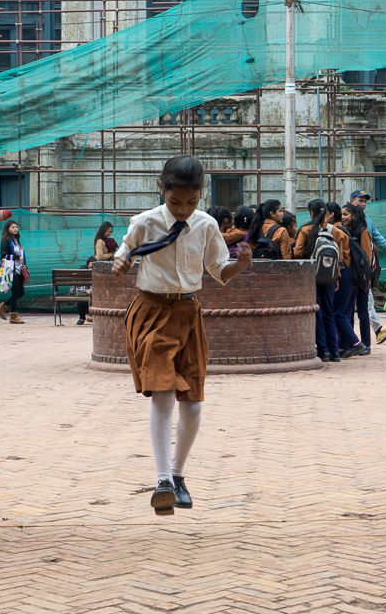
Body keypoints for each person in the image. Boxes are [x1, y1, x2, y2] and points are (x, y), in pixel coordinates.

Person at [113, 155, 253, 514]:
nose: (182, 209)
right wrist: (120, 261)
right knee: (162, 394)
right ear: (163, 191)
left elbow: (218, 271)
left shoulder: (205, 226)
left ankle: (177, 476)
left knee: (192, 403)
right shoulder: (145, 222)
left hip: (189, 313)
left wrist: (239, 266)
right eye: (175, 202)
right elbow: (125, 250)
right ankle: (161, 480)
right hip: (152, 312)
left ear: (200, 195)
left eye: (191, 202)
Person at [294, 199, 346, 361]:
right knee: (329, 313)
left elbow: (297, 253)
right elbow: (340, 257)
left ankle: (322, 350)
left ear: (311, 213)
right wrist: (336, 276)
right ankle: (335, 351)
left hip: (312, 277)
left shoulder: (306, 229)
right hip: (330, 278)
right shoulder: (335, 231)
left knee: (318, 312)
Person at [350, 190, 386, 339]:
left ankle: (371, 335)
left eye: (365, 202)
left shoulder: (368, 221)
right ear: (352, 201)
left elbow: (379, 239)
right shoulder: (344, 219)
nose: (363, 204)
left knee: (365, 303)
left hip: (364, 270)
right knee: (351, 307)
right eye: (360, 201)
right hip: (347, 269)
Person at [339, 203, 373, 356]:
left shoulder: (362, 232)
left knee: (363, 312)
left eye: (346, 214)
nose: (343, 217)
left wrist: (367, 281)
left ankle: (366, 344)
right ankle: (350, 343)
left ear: (354, 216)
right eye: (341, 214)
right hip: (352, 277)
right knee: (348, 311)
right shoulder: (344, 231)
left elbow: (367, 258)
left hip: (362, 278)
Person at [0, 220, 27, 324]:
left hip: (18, 268)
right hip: (10, 269)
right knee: (16, 292)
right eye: (12, 227)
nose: (15, 229)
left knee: (21, 292)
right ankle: (13, 316)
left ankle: (2, 307)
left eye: (16, 227)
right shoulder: (6, 240)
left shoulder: (16, 240)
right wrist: (17, 257)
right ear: (7, 229)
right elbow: (4, 255)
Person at [76, 256, 96, 326]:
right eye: (90, 267)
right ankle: (82, 317)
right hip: (85, 296)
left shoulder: (98, 275)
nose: (92, 269)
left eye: (94, 267)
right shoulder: (84, 276)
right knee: (81, 300)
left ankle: (89, 315)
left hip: (95, 296)